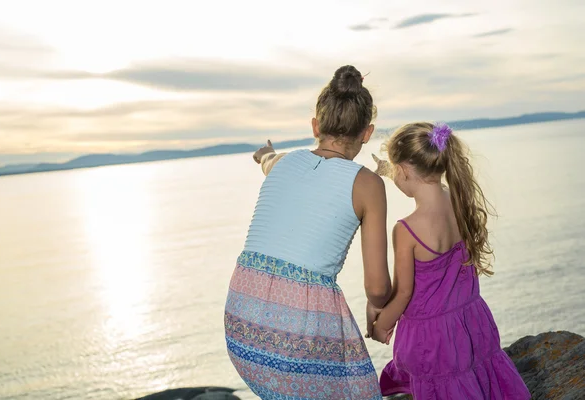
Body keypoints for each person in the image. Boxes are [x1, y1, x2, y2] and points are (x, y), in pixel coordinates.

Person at [224, 65, 391, 400]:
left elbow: (269, 159)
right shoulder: (368, 184)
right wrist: (381, 306)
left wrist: (263, 154)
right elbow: (376, 288)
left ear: (315, 126)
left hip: (241, 325)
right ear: (367, 132)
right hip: (297, 336)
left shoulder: (284, 162)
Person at [371, 122, 531, 399]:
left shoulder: (406, 230)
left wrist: (382, 323)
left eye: (394, 170)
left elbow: (404, 293)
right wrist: (389, 170)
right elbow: (420, 179)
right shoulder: (458, 200)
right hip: (471, 323)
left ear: (404, 171)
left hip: (434, 340)